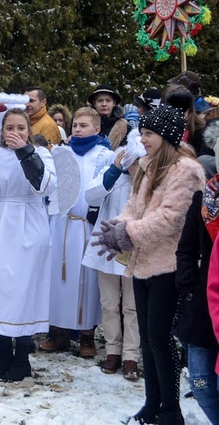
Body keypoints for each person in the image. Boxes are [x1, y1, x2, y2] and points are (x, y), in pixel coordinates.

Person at [93, 104, 205, 425]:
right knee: (148, 338)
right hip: (141, 264)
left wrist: (127, 233)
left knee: (160, 338)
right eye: (141, 133)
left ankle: (171, 411)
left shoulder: (186, 170)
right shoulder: (149, 164)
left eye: (149, 134)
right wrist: (119, 227)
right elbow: (133, 206)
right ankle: (152, 403)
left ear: (167, 135)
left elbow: (170, 219)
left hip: (168, 267)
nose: (143, 140)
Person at [0, 108, 57, 381]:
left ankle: (22, 358)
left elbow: (44, 185)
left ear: (28, 130)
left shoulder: (40, 154)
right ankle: (4, 355)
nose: (16, 133)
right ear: (2, 130)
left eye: (21, 128)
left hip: (27, 225)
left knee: (22, 290)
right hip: (0, 224)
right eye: (10, 127)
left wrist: (25, 152)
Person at [42, 107, 111, 358]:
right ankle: (58, 332)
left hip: (86, 224)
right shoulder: (61, 153)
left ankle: (86, 335)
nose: (78, 130)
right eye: (75, 126)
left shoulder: (104, 155)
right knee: (58, 278)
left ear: (97, 129)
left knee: (86, 281)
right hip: (61, 223)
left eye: (84, 126)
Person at [81, 130, 142, 380]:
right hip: (105, 245)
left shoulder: (145, 178)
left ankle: (131, 355)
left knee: (132, 305)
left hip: (134, 247)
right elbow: (91, 195)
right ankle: (113, 350)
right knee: (108, 304)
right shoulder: (110, 169)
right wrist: (114, 170)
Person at [175, 185, 219, 424]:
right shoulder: (206, 198)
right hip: (203, 306)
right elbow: (186, 249)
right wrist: (190, 286)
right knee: (201, 385)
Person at [88, 83, 129, 148]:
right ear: (94, 103)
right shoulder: (84, 123)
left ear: (114, 103)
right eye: (100, 101)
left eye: (108, 101)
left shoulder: (124, 127)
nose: (104, 104)